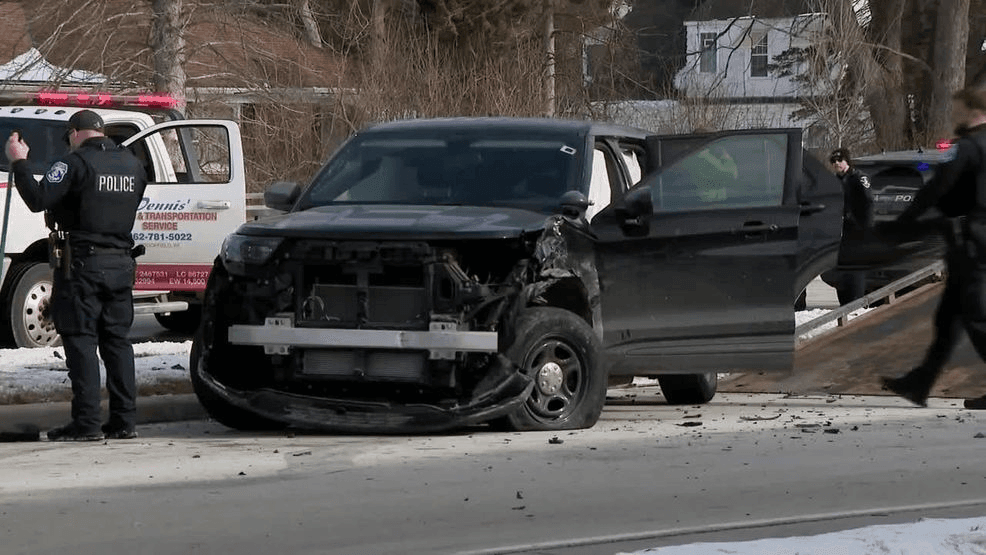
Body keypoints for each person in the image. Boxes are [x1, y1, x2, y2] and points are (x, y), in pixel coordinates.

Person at [5, 109, 148, 440]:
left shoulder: (73, 163)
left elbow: (38, 199)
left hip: (83, 266)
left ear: (74, 133)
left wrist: (19, 162)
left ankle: (87, 423)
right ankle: (124, 421)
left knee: (81, 342)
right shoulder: (132, 164)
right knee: (117, 343)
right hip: (121, 264)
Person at [879, 86, 986, 409]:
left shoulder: (966, 147)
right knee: (949, 318)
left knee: (977, 318)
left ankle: (920, 382)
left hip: (974, 243)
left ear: (973, 111)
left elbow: (937, 189)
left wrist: (902, 223)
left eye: (957, 109)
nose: (954, 115)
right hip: (972, 244)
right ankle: (920, 382)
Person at [826, 147, 874, 305]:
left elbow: (868, 203)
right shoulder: (834, 181)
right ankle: (844, 302)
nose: (836, 163)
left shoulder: (858, 178)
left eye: (840, 160)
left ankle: (856, 302)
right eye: (834, 161)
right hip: (840, 232)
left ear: (847, 161)